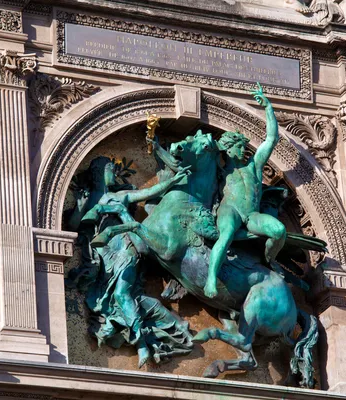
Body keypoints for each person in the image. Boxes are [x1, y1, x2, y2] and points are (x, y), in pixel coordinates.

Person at [69, 158, 190, 367]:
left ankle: (141, 343)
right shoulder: (89, 200)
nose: (114, 173)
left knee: (121, 294)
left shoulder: (119, 196)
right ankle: (158, 328)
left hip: (126, 249)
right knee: (118, 300)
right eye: (111, 169)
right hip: (104, 258)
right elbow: (73, 226)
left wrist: (172, 182)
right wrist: (79, 207)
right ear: (100, 171)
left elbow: (149, 193)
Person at [204, 83, 287, 298]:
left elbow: (271, 139)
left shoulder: (254, 166)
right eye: (239, 146)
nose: (244, 150)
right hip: (229, 209)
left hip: (252, 215)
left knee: (279, 231)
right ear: (228, 148)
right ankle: (211, 278)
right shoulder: (220, 170)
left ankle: (270, 258)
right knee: (227, 233)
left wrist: (268, 107)